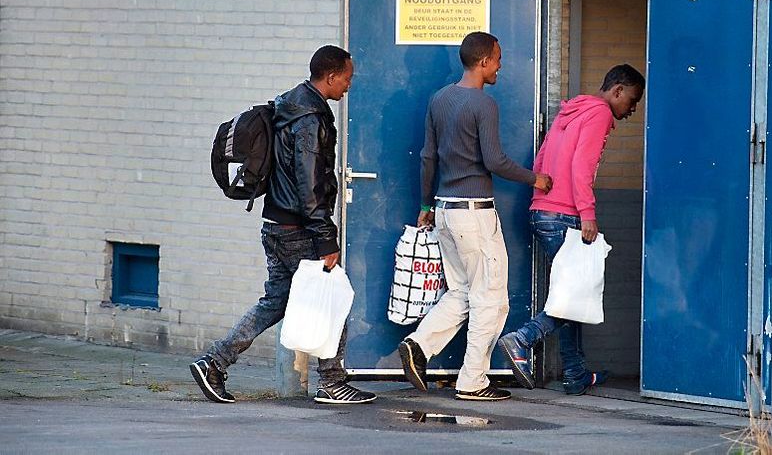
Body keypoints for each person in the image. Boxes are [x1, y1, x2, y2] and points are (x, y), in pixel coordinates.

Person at [190, 46, 376, 405]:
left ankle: (213, 362)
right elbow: (309, 183)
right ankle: (333, 381)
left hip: (275, 222)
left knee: (276, 301)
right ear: (332, 76)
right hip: (298, 229)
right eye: (348, 78)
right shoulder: (310, 119)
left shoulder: (287, 105)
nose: (349, 86)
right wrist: (326, 237)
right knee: (333, 298)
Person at [397, 32, 553, 402]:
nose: (500, 66)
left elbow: (427, 157)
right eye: (498, 59)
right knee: (492, 300)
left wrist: (425, 207)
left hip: (445, 212)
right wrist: (537, 179)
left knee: (463, 292)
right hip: (475, 214)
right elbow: (494, 161)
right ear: (483, 62)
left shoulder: (440, 99)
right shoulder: (483, 104)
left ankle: (418, 345)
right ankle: (473, 381)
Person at [497, 64, 645, 395]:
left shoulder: (572, 110)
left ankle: (575, 372)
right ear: (617, 91)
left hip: (542, 210)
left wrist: (541, 197)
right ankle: (522, 339)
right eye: (632, 101)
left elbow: (541, 160)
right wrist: (587, 214)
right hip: (564, 215)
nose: (632, 110)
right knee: (574, 295)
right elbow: (582, 166)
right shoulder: (600, 114)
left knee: (571, 291)